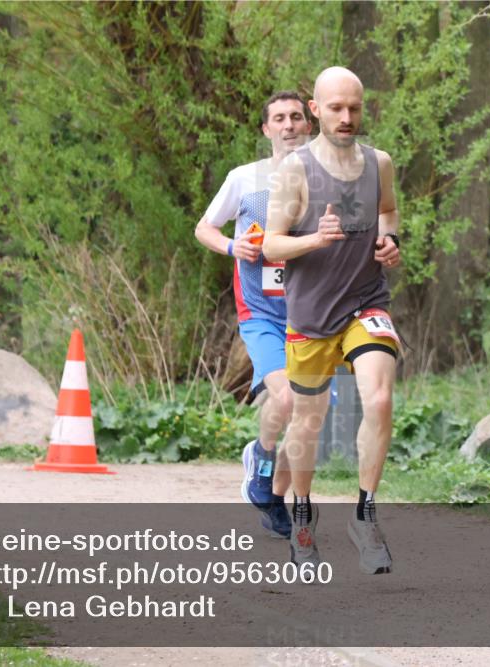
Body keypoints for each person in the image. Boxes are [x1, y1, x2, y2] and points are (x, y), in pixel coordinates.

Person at [263, 67, 401, 575]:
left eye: (355, 108)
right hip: (312, 313)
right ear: (316, 110)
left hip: (366, 302)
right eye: (337, 108)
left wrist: (390, 241)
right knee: (309, 422)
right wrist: (315, 240)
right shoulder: (295, 170)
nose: (347, 118)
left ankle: (364, 514)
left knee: (379, 398)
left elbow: (388, 212)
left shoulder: (379, 163)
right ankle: (302, 513)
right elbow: (271, 245)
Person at [194, 91, 313, 539]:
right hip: (261, 311)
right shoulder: (245, 178)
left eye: (296, 117)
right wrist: (232, 246)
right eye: (279, 118)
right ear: (266, 129)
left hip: (311, 312)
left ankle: (274, 494)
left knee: (309, 417)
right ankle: (262, 459)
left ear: (309, 125)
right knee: (288, 400)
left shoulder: (326, 179)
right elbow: (204, 227)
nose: (289, 125)